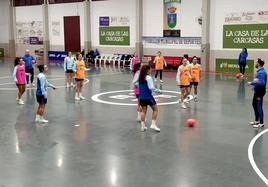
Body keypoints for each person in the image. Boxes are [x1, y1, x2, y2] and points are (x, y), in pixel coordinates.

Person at [138, 65, 161, 132]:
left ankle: (143, 127)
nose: (151, 70)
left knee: (143, 111)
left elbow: (137, 85)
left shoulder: (140, 78)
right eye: (150, 69)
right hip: (148, 97)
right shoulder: (148, 77)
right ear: (147, 70)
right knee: (155, 109)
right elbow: (151, 87)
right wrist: (158, 90)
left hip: (142, 97)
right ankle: (153, 125)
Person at [248, 59, 267, 128]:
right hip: (257, 91)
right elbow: (258, 81)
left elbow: (262, 83)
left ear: (259, 64)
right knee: (254, 104)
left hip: (260, 92)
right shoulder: (259, 71)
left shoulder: (262, 72)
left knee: (259, 106)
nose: (255, 63)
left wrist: (252, 83)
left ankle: (261, 123)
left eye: (256, 62)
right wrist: (254, 87)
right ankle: (256, 120)